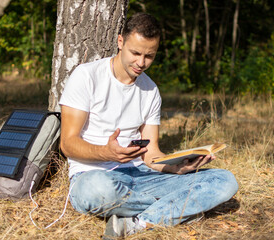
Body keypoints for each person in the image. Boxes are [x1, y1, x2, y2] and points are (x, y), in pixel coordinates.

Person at [59, 12, 238, 239]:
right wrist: (106, 153)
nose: (141, 63)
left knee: (224, 181)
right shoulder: (86, 76)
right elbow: (68, 143)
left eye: (149, 56)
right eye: (135, 53)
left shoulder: (150, 90)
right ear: (120, 41)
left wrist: (176, 167)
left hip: (142, 176)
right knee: (95, 191)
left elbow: (151, 152)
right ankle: (177, 209)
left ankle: (139, 222)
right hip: (94, 175)